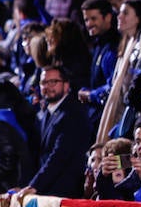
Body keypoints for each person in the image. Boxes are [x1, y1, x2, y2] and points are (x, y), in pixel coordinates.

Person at [27, 66, 92, 198]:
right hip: (48, 189)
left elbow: (60, 155)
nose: (47, 86)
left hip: (65, 192)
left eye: (53, 82)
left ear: (66, 85)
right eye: (43, 82)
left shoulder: (73, 113)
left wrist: (35, 186)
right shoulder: (47, 112)